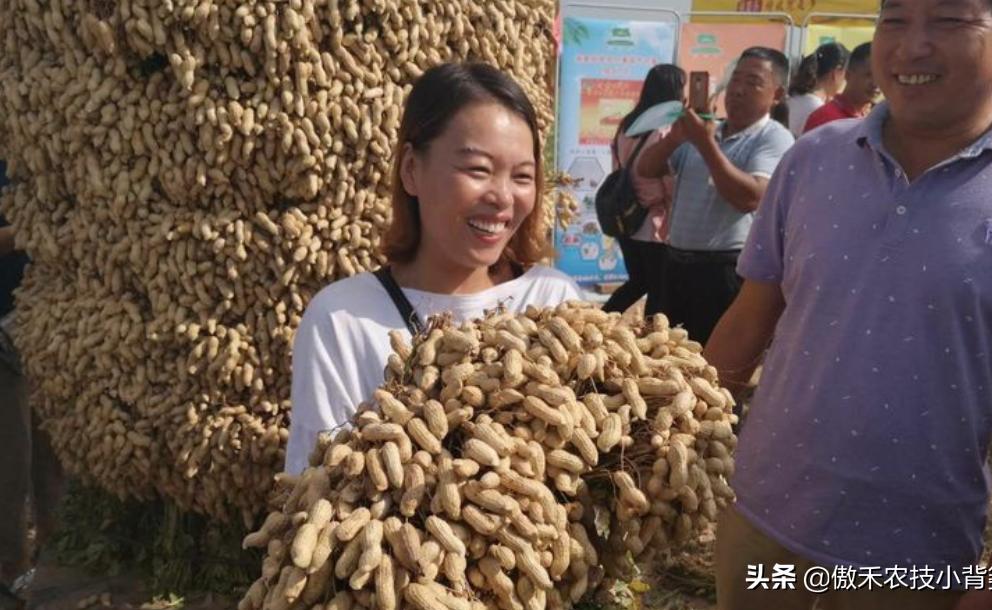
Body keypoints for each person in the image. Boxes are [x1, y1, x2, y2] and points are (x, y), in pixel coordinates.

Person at [703, 0, 992, 608]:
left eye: (950, 21)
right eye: (895, 20)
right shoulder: (812, 159)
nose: (912, 46)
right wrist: (671, 446)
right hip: (763, 522)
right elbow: (748, 321)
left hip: (915, 556)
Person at [285, 63, 582, 474]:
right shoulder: (341, 320)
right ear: (411, 169)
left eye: (522, 176)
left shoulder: (554, 302)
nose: (502, 197)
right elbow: (312, 486)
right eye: (477, 170)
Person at [637, 47, 794, 345]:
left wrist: (706, 145)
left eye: (753, 82)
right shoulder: (709, 129)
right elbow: (646, 169)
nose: (738, 90)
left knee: (711, 367)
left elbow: (749, 198)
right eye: (735, 79)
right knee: (667, 359)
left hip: (724, 273)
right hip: (676, 265)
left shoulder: (773, 137)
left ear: (777, 94)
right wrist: (675, 138)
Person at [0, 161, 62, 606]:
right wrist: (33, 230)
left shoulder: (21, 151)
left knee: (53, 444)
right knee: (11, 453)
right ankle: (12, 565)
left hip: (39, 320)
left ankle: (52, 544)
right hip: (4, 322)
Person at [601, 64, 685, 316]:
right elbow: (668, 181)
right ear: (674, 91)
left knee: (639, 281)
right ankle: (650, 338)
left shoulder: (628, 125)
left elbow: (618, 166)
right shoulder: (665, 130)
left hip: (625, 216)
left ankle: (602, 318)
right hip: (653, 222)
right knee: (659, 288)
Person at [802, 42, 880, 133]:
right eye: (869, 75)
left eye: (882, 77)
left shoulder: (877, 121)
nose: (876, 84)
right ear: (848, 75)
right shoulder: (825, 119)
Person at [785, 42, 850, 137]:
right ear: (836, 73)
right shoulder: (820, 111)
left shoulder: (791, 99)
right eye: (846, 74)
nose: (845, 80)